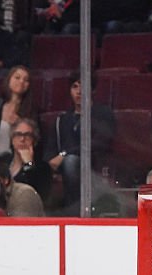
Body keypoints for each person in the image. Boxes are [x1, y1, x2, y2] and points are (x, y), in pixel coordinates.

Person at [46, 72, 115, 211]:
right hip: (64, 166)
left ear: (92, 90)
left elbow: (100, 143)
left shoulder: (103, 114)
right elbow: (50, 150)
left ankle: (75, 209)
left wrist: (65, 154)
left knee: (71, 161)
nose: (79, 91)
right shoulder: (62, 119)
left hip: (94, 164)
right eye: (75, 86)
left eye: (84, 87)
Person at [0, 65, 36, 158]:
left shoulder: (31, 112)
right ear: (9, 80)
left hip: (14, 160)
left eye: (26, 80)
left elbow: (35, 140)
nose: (21, 81)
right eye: (17, 77)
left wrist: (19, 125)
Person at [0, 118, 52, 205]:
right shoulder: (1, 162)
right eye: (18, 134)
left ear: (34, 140)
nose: (22, 139)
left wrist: (28, 165)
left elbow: (39, 196)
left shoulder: (43, 168)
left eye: (27, 135)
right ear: (12, 139)